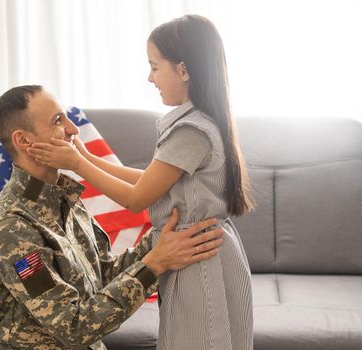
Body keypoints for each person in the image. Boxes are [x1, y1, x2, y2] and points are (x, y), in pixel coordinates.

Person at [28, 15, 254, 350]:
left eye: (154, 67)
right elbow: (152, 181)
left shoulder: (190, 131)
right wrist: (86, 158)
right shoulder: (198, 122)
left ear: (184, 70)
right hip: (201, 252)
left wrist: (76, 163)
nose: (150, 78)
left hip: (197, 257)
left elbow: (137, 198)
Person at [0, 84, 225, 350]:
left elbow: (102, 275)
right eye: (58, 121)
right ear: (23, 141)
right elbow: (72, 326)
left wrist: (161, 239)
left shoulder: (62, 198)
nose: (73, 129)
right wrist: (154, 265)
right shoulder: (10, 227)